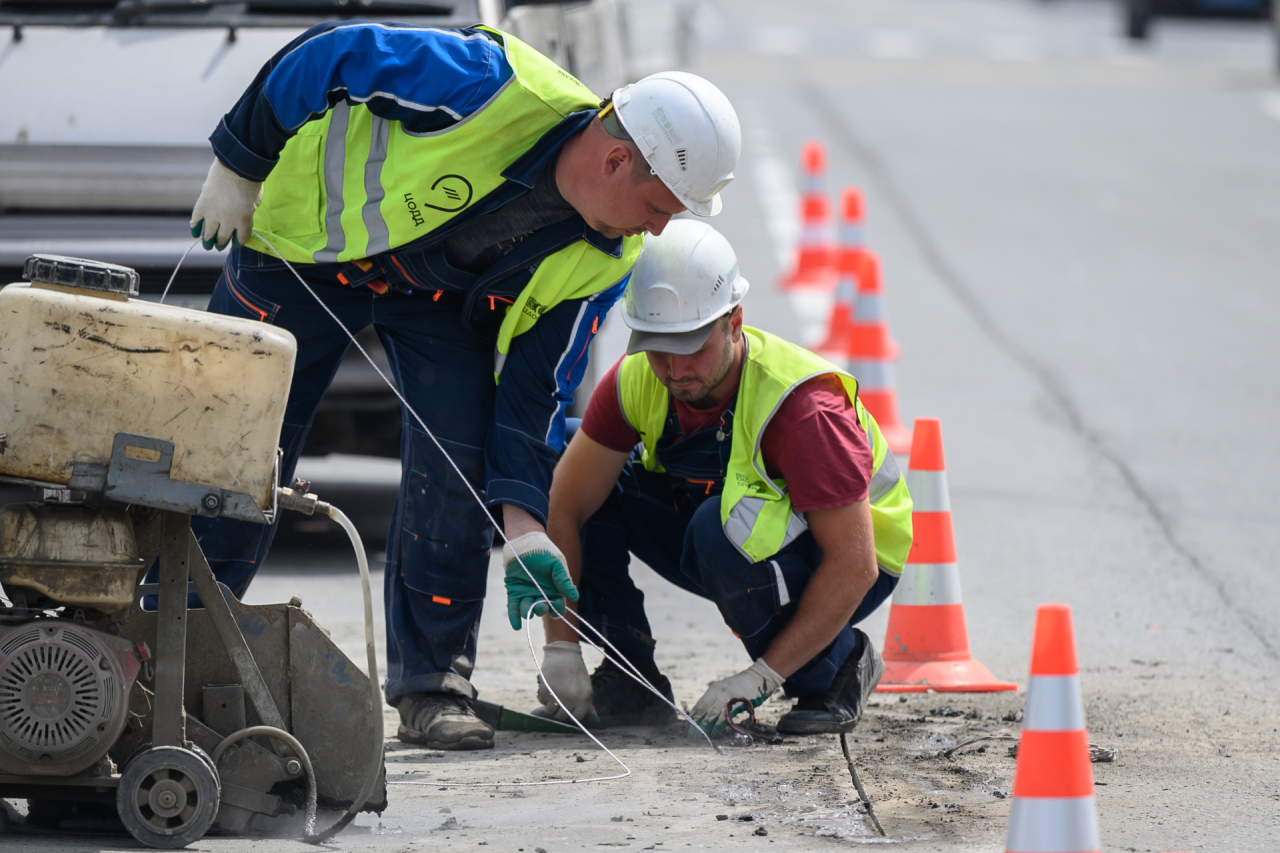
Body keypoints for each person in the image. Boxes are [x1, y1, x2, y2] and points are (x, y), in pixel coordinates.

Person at [179, 20, 741, 751]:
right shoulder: (488, 85)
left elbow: (535, 395)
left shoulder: (607, 257)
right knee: (235, 451)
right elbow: (329, 56)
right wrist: (240, 162)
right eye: (663, 203)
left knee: (455, 462)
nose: (661, 229)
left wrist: (525, 527)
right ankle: (172, 646)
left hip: (434, 299)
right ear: (616, 159)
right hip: (299, 248)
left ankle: (433, 686)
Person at [525, 221, 913, 735]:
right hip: (729, 528)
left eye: (692, 345)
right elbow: (565, 508)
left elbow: (855, 564)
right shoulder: (639, 378)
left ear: (733, 322)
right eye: (658, 346)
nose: (675, 367)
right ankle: (629, 676)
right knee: (561, 464)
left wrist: (761, 676)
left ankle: (836, 667)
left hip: (845, 560)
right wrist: (561, 644)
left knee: (718, 528)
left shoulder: (802, 410)